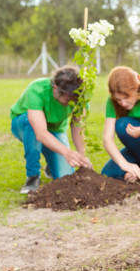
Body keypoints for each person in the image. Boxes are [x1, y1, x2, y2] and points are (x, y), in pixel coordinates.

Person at [10, 66, 92, 194]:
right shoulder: (37, 89)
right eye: (68, 98)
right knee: (31, 126)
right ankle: (32, 177)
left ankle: (51, 162)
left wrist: (82, 155)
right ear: (56, 88)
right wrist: (66, 152)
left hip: (54, 129)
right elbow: (41, 133)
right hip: (24, 124)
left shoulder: (79, 97)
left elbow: (77, 127)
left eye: (74, 99)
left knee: (64, 176)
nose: (71, 102)